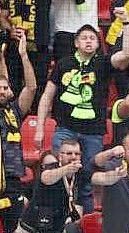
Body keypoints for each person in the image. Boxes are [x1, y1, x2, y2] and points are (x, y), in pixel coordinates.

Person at [36, 24, 111, 213]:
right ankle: (55, 219)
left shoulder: (104, 63)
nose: (88, 41)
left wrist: (126, 24)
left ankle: (84, 228)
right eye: (84, 38)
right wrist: (39, 129)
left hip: (93, 132)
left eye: (92, 38)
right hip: (65, 129)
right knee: (56, 173)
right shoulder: (64, 63)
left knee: (85, 183)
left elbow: (126, 54)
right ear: (76, 43)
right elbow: (47, 96)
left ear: (97, 43)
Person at [0, 30, 35, 233]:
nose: (1, 91)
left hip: (12, 180)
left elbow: (32, 88)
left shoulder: (15, 111)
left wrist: (24, 55)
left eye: (4, 87)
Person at [13, 140, 83, 233]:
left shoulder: (80, 175)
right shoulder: (51, 169)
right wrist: (66, 169)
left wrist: (114, 175)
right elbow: (46, 178)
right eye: (69, 153)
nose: (73, 157)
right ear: (60, 156)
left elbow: (79, 203)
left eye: (77, 154)